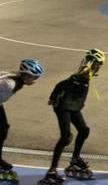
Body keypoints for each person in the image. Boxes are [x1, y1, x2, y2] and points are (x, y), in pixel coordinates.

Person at [40, 50, 104, 184]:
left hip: (73, 107)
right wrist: (52, 98)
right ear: (94, 64)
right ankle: (52, 170)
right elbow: (62, 84)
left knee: (84, 130)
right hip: (63, 106)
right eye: (98, 64)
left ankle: (75, 159)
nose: (99, 67)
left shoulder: (87, 75)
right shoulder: (81, 76)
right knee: (66, 137)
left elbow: (63, 85)